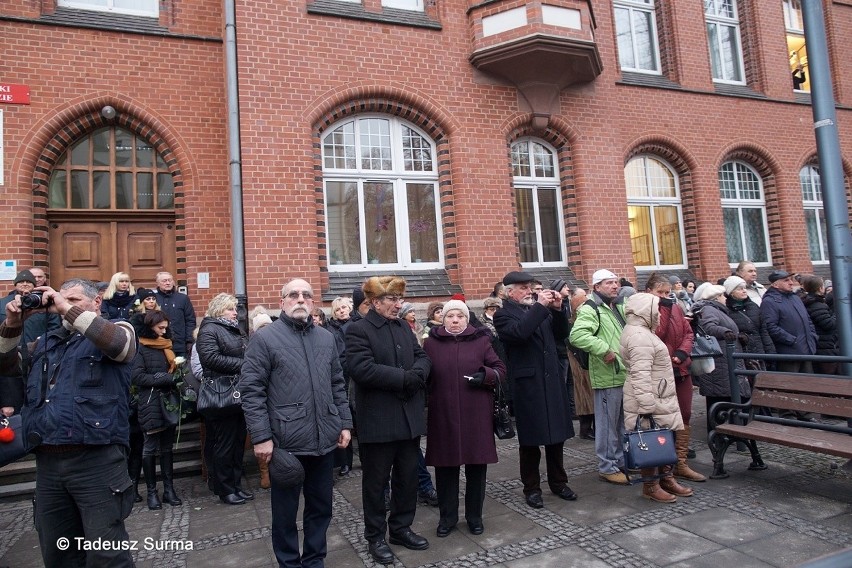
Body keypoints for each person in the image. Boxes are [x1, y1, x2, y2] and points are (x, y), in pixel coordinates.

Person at [0, 279, 137, 567]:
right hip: (49, 465)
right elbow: (6, 363)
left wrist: (63, 307)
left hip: (96, 462)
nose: (64, 307)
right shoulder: (47, 343)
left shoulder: (119, 329)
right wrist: (13, 322)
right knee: (58, 553)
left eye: (74, 300)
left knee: (106, 555)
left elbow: (119, 346)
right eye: (61, 300)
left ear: (96, 302)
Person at [240, 278, 353, 568]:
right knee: (285, 514)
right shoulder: (265, 339)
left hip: (324, 441)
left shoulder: (326, 338)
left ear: (313, 303)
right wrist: (262, 437)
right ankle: (289, 563)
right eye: (293, 295)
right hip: (286, 444)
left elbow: (337, 384)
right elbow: (252, 392)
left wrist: (344, 423)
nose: (300, 299)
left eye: (306, 295)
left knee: (321, 509)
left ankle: (314, 561)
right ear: (282, 302)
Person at [345, 276, 432, 566]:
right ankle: (375, 537)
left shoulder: (403, 328)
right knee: (375, 484)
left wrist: (419, 372)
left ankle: (401, 529)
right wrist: (405, 379)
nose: (398, 304)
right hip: (378, 421)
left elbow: (422, 356)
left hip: (408, 419)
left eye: (399, 299)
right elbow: (361, 369)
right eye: (392, 299)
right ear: (374, 302)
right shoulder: (359, 330)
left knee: (407, 479)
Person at [494, 271, 577, 509]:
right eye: (523, 287)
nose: (530, 291)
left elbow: (561, 334)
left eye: (530, 286)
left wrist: (559, 309)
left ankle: (559, 482)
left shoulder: (537, 310)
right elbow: (520, 333)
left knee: (556, 437)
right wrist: (542, 306)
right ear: (509, 292)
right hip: (528, 385)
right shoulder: (503, 315)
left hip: (551, 382)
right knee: (530, 442)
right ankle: (531, 488)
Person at [423, 299, 505, 537]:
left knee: (476, 469)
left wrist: (486, 375)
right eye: (450, 316)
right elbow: (423, 374)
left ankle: (474, 517)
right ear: (443, 319)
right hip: (443, 414)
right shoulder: (430, 344)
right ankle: (447, 518)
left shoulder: (481, 340)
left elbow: (500, 368)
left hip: (476, 414)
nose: (455, 320)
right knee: (445, 469)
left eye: (460, 316)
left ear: (467, 319)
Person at [619, 293, 690, 503]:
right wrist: (647, 405)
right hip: (650, 397)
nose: (658, 313)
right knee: (649, 441)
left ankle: (665, 477)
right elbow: (640, 373)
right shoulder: (640, 336)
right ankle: (651, 485)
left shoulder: (641, 331)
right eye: (656, 308)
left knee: (662, 439)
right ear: (645, 310)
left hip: (658, 395)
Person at [569, 269, 629, 486]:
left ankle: (621, 461)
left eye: (616, 282)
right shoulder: (591, 307)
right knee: (606, 424)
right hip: (608, 374)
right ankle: (607, 466)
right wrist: (605, 350)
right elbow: (577, 335)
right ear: (596, 287)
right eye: (609, 283)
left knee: (622, 423)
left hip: (624, 373)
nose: (615, 286)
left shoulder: (618, 306)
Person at [644, 273, 704, 482]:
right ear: (649, 292)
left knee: (685, 414)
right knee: (664, 418)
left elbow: (688, 333)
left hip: (681, 368)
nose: (665, 296)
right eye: (660, 292)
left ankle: (680, 462)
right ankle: (665, 466)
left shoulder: (677, 307)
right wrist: (665, 308)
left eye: (667, 292)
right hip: (660, 373)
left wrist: (682, 353)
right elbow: (655, 335)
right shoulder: (645, 312)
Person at [197, 292, 251, 505]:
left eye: (235, 309)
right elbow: (210, 359)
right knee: (224, 444)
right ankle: (224, 489)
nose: (234, 313)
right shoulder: (209, 329)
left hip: (238, 391)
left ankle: (236, 485)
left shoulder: (234, 329)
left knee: (238, 443)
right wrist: (245, 365)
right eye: (230, 309)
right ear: (219, 310)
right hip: (220, 393)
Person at [132, 310, 183, 510]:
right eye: (160, 327)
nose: (164, 330)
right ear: (150, 327)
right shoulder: (141, 347)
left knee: (167, 448)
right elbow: (136, 377)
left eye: (166, 327)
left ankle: (169, 490)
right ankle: (152, 492)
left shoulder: (167, 345)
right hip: (150, 402)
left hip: (167, 400)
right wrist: (164, 378)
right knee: (150, 448)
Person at [691, 283, 748, 430]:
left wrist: (737, 336)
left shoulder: (717, 310)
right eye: (723, 295)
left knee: (724, 398)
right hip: (721, 363)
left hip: (724, 361)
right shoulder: (710, 309)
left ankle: (726, 432)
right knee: (720, 400)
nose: (725, 298)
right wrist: (724, 332)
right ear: (717, 297)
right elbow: (708, 326)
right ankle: (721, 434)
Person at [326, 296, 355, 477]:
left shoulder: (355, 326)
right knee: (344, 419)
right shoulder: (330, 330)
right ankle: (346, 462)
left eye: (344, 307)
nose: (342, 311)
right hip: (341, 378)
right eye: (338, 309)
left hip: (354, 376)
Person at [723, 276, 775, 373]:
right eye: (740, 289)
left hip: (760, 353)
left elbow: (763, 330)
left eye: (744, 288)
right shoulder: (727, 311)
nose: (744, 291)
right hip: (744, 356)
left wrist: (770, 351)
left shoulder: (753, 306)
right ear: (731, 292)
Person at [0, 269, 61, 344]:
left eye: (28, 282)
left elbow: (55, 328)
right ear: (15, 285)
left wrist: (43, 343)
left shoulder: (44, 302)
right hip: (10, 349)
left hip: (39, 350)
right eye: (21, 282)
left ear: (34, 285)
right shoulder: (2, 303)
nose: (25, 284)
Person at [568, 288, 595, 440]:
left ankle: (588, 429)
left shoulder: (584, 312)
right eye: (583, 295)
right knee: (584, 394)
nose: (586, 297)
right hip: (579, 359)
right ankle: (585, 429)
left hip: (584, 357)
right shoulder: (577, 316)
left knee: (589, 395)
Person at [799, 274, 839, 375]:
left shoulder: (813, 302)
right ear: (820, 288)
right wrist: (837, 313)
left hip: (823, 346)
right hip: (826, 347)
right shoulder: (817, 305)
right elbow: (829, 324)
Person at [153, 271, 196, 356]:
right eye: (164, 281)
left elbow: (190, 321)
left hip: (180, 344)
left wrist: (189, 341)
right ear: (158, 283)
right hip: (158, 344)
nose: (168, 283)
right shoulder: (153, 299)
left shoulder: (183, 298)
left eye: (170, 280)